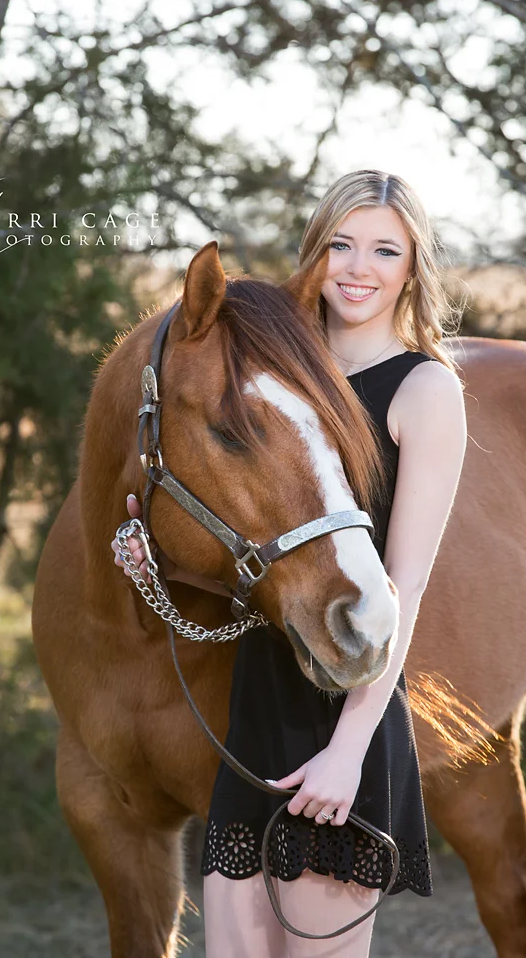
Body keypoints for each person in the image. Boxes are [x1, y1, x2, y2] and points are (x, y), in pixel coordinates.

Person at [112, 169, 467, 957]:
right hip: (255, 713)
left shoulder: (424, 391)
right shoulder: (274, 372)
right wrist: (155, 564)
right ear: (316, 252)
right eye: (339, 243)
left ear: (412, 266)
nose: (356, 267)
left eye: (384, 249)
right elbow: (251, 543)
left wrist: (345, 754)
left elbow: (400, 584)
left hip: (344, 718)